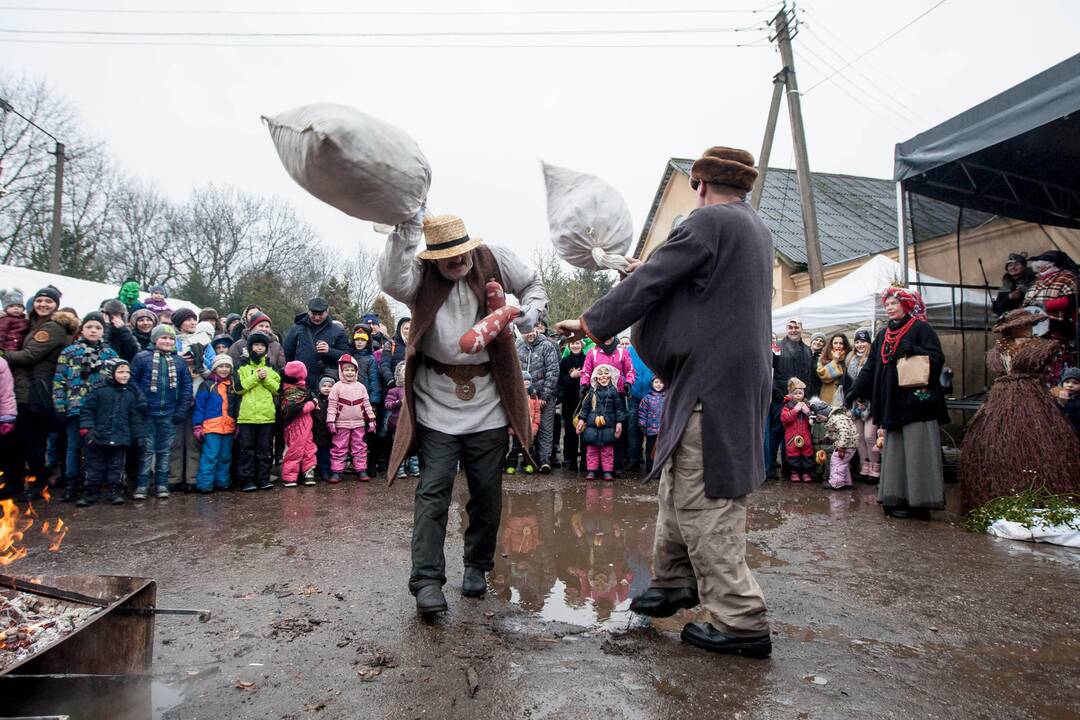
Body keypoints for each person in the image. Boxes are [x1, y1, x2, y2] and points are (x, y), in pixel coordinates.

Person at [557, 146, 773, 658]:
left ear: (699, 184)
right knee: (679, 480)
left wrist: (591, 324)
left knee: (707, 495)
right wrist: (645, 268)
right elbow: (688, 288)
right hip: (717, 378)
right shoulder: (753, 227)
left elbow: (655, 282)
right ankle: (675, 579)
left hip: (710, 384)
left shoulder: (707, 222)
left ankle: (741, 620)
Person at [379, 210, 545, 616]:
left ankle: (477, 566)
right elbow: (389, 280)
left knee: (487, 492)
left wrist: (527, 312)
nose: (459, 262)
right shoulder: (418, 276)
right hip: (436, 399)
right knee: (433, 490)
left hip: (488, 398)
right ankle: (426, 580)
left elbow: (533, 283)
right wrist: (403, 229)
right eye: (448, 258)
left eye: (462, 254)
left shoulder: (492, 257)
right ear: (433, 257)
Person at [847, 288, 948, 519]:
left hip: (917, 405)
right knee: (895, 453)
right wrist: (855, 390)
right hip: (892, 404)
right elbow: (871, 366)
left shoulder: (922, 329)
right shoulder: (883, 335)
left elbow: (937, 359)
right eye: (887, 304)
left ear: (906, 304)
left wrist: (915, 350)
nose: (890, 307)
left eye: (894, 303)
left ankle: (920, 502)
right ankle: (898, 497)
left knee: (916, 451)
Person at [5, 286, 79, 498]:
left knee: (33, 440)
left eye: (48, 301)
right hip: (21, 388)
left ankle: (40, 483)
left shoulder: (53, 327)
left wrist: (4, 355)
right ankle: (16, 483)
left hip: (35, 390)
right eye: (39, 301)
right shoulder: (33, 323)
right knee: (16, 440)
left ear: (56, 305)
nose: (43, 304)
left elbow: (30, 355)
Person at [52, 311, 119, 501]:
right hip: (75, 407)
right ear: (82, 329)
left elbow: (116, 382)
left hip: (100, 410)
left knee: (95, 447)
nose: (93, 331)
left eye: (98, 328)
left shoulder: (109, 353)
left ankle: (93, 484)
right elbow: (59, 380)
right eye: (89, 327)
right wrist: (59, 404)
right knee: (73, 446)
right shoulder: (70, 352)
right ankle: (71, 484)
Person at [131, 324, 193, 500]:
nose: (167, 341)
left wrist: (181, 409)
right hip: (148, 412)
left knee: (165, 450)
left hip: (169, 413)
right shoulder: (142, 358)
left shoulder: (179, 362)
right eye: (163, 338)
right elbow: (133, 381)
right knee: (147, 450)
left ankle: (161, 484)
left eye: (170, 339)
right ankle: (142, 485)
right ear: (154, 339)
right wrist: (141, 400)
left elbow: (186, 386)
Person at [77, 358, 144, 506]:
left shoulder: (130, 394)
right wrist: (87, 429)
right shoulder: (99, 391)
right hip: (98, 437)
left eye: (127, 372)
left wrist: (138, 436)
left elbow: (135, 418)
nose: (125, 375)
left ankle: (115, 492)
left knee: (117, 467)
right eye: (121, 372)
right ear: (110, 373)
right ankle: (90, 492)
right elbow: (87, 411)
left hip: (120, 437)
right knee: (94, 466)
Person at [233, 331, 280, 492]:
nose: (259, 348)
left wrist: (266, 378)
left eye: (262, 345)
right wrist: (256, 377)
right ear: (250, 346)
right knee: (246, 450)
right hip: (247, 416)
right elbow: (238, 388)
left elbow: (278, 389)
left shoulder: (270, 366)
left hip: (266, 416)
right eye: (256, 345)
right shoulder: (241, 365)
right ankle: (246, 480)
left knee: (265, 450)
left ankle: (263, 478)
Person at [768, 319, 813, 479]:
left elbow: (809, 376)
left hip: (801, 400)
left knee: (798, 434)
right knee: (778, 431)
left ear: (802, 329)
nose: (793, 330)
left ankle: (791, 466)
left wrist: (808, 398)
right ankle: (771, 466)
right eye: (790, 327)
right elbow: (770, 370)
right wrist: (776, 392)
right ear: (786, 329)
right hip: (781, 397)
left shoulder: (808, 350)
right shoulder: (777, 347)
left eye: (796, 327)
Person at [517, 320, 560, 473]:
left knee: (545, 429)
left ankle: (545, 460)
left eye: (532, 330)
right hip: (526, 398)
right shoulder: (519, 347)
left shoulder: (547, 346)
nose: (530, 333)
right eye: (526, 331)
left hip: (544, 396)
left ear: (536, 330)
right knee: (528, 428)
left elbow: (553, 372)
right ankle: (530, 459)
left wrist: (545, 396)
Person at [326, 354, 376, 482]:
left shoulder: (361, 387)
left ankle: (361, 470)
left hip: (359, 423)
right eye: (346, 370)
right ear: (341, 371)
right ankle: (336, 471)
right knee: (339, 448)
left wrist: (371, 420)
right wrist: (330, 421)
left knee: (360, 447)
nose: (349, 372)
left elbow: (367, 405)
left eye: (352, 370)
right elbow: (331, 405)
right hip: (341, 424)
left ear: (356, 371)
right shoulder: (337, 387)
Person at [283, 298, 351, 391]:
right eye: (313, 314)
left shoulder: (338, 331)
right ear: (308, 311)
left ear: (327, 312)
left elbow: (346, 356)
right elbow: (287, 354)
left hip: (326, 384)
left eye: (320, 314)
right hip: (299, 383)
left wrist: (329, 351)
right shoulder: (297, 328)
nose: (317, 317)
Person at [192, 354, 237, 493]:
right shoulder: (207, 385)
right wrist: (197, 426)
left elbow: (236, 407)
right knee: (210, 456)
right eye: (221, 366)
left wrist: (238, 424)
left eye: (227, 367)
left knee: (225, 457)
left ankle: (222, 482)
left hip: (229, 426)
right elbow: (200, 406)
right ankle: (205, 484)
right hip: (211, 427)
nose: (224, 369)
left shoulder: (233, 385)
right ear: (215, 368)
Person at [576, 364, 623, 482]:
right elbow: (585, 409)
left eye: (606, 374)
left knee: (608, 450)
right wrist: (581, 421)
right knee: (592, 450)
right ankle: (592, 470)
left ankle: (607, 471)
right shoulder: (592, 392)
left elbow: (619, 409)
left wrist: (619, 423)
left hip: (609, 426)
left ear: (610, 376)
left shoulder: (614, 391)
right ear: (596, 378)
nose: (603, 377)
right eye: (600, 374)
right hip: (592, 426)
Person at [845, 328, 879, 481]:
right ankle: (864, 465)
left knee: (870, 436)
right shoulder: (850, 360)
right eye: (857, 341)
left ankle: (875, 465)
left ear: (869, 343)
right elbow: (846, 383)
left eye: (863, 341)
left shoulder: (873, 360)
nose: (860, 344)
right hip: (854, 405)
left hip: (870, 403)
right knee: (858, 437)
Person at [279, 360, 318, 488]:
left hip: (307, 424)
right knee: (294, 450)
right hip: (294, 426)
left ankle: (308, 472)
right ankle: (289, 476)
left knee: (309, 448)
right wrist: (313, 404)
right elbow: (296, 410)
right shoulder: (290, 391)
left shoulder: (303, 389)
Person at [382, 362, 418, 480]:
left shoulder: (415, 389)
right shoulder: (394, 390)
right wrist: (398, 403)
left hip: (412, 423)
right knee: (398, 446)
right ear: (399, 374)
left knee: (413, 446)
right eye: (403, 372)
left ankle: (414, 467)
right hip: (397, 423)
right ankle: (399, 468)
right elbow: (388, 404)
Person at [625, 339, 655, 473]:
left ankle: (651, 460)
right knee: (633, 428)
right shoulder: (629, 351)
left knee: (653, 430)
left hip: (652, 395)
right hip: (634, 395)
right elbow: (623, 369)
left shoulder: (654, 348)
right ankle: (634, 459)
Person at [558, 338, 587, 472]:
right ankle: (570, 458)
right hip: (569, 401)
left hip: (584, 400)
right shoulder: (565, 361)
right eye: (572, 344)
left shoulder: (587, 359)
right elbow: (560, 381)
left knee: (585, 430)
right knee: (570, 431)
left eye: (577, 343)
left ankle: (586, 460)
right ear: (569, 346)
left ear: (581, 345)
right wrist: (571, 377)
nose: (575, 346)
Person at [506, 370, 542, 475]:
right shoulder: (516, 396)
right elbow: (511, 414)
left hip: (530, 429)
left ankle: (529, 465)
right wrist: (512, 427)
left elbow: (537, 413)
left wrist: (535, 426)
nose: (526, 383)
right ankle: (511, 465)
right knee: (515, 449)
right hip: (518, 429)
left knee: (529, 449)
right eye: (524, 380)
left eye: (528, 381)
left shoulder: (533, 396)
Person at [780, 378, 814, 483]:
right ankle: (795, 473)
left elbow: (812, 420)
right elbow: (784, 419)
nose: (798, 395)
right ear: (790, 395)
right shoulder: (787, 406)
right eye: (795, 393)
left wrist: (807, 412)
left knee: (807, 454)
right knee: (793, 455)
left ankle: (806, 473)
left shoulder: (807, 405)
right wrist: (795, 410)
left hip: (805, 435)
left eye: (800, 393)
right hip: (792, 436)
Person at [822, 404, 858, 490]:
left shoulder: (836, 419)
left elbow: (844, 431)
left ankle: (836, 483)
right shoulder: (840, 417)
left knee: (836, 463)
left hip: (846, 446)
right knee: (843, 464)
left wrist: (841, 446)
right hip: (851, 445)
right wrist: (828, 437)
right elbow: (834, 431)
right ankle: (846, 482)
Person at [637, 376, 665, 474]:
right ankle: (650, 470)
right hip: (651, 430)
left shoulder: (666, 397)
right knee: (650, 450)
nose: (658, 384)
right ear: (652, 383)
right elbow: (642, 412)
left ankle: (660, 471)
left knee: (661, 451)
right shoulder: (647, 398)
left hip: (663, 430)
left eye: (661, 382)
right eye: (656, 382)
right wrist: (642, 424)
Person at [312, 375, 336, 483]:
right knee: (317, 453)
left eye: (330, 386)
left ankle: (326, 471)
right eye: (324, 386)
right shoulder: (315, 400)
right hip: (317, 431)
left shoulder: (334, 400)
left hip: (329, 432)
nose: (327, 388)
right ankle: (318, 471)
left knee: (327, 453)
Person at [816, 333, 849, 407]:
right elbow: (823, 375)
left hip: (845, 396)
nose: (838, 346)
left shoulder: (849, 357)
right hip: (828, 397)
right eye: (835, 343)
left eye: (841, 343)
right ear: (831, 345)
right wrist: (835, 361)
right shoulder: (823, 358)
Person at [379, 317, 410, 391]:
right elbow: (384, 365)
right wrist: (390, 380)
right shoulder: (390, 344)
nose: (409, 331)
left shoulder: (418, 346)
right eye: (406, 328)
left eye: (411, 328)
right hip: (394, 388)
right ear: (400, 329)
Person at [0, 287, 29, 352]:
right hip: (9, 348)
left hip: (22, 348)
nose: (16, 308)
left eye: (19, 306)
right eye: (11, 306)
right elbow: (1, 334)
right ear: (5, 309)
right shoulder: (5, 320)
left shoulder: (26, 319)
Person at [1055, 366, 1080, 433]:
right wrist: (1061, 403)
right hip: (1062, 430)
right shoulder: (1057, 393)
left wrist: (1069, 404)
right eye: (1067, 382)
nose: (1070, 385)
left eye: (1075, 383)